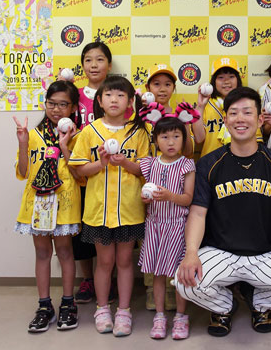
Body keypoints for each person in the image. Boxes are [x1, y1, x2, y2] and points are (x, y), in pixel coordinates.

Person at [175, 87, 271, 337]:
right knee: (183, 282)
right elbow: (197, 214)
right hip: (220, 251)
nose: (240, 119)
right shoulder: (209, 163)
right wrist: (190, 254)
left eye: (247, 112)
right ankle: (224, 306)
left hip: (264, 253)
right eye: (233, 113)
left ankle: (259, 303)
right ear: (225, 120)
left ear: (260, 119)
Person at [69, 76, 149, 337]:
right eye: (109, 95)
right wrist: (101, 164)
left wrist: (124, 163)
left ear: (129, 101)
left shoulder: (138, 132)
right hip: (98, 210)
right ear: (99, 101)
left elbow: (144, 169)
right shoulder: (89, 131)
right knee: (104, 262)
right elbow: (79, 169)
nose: (114, 100)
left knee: (125, 261)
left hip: (128, 209)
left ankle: (124, 311)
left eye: (120, 95)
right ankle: (102, 309)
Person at [13, 80, 82, 332]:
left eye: (63, 104)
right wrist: (22, 142)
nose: (56, 109)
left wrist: (64, 146)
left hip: (64, 203)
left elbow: (81, 175)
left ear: (73, 107)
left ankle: (68, 304)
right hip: (37, 204)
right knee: (42, 254)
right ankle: (44, 306)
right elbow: (22, 172)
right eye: (51, 103)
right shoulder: (33, 135)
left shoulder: (79, 136)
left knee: (65, 253)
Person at [137, 115, 196, 340]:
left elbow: (188, 198)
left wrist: (170, 196)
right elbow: (145, 192)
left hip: (178, 227)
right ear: (156, 140)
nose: (171, 142)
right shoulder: (150, 163)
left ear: (183, 139)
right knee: (158, 274)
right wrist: (146, 199)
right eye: (164, 137)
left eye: (176, 136)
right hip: (155, 226)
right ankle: (160, 316)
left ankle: (181, 317)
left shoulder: (187, 164)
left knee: (180, 275)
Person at [142, 63, 194, 311]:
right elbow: (140, 160)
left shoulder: (180, 119)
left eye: (167, 83)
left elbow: (187, 196)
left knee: (177, 266)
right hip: (154, 217)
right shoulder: (142, 115)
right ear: (148, 87)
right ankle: (156, 299)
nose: (162, 88)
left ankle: (179, 308)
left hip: (176, 220)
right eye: (156, 83)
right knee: (154, 264)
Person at [73, 42, 113, 304]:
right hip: (82, 169)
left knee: (111, 228)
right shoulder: (75, 94)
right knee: (84, 228)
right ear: (83, 65)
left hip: (111, 171)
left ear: (109, 65)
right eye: (88, 60)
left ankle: (108, 279)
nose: (94, 65)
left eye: (100, 60)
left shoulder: (117, 92)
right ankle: (89, 279)